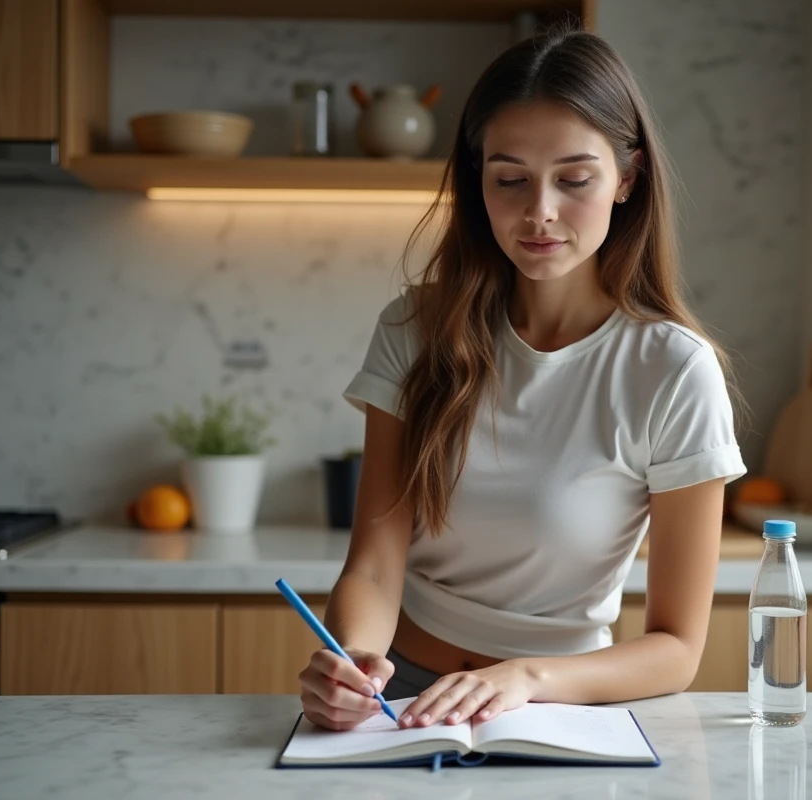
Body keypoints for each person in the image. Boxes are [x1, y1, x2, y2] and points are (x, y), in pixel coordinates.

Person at [298, 27, 747, 732]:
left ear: (627, 178)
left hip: (563, 706)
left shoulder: (673, 370)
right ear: (479, 180)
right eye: (510, 179)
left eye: (574, 180)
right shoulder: (412, 329)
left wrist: (527, 677)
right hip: (403, 701)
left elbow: (676, 650)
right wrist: (354, 660)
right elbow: (375, 568)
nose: (540, 210)